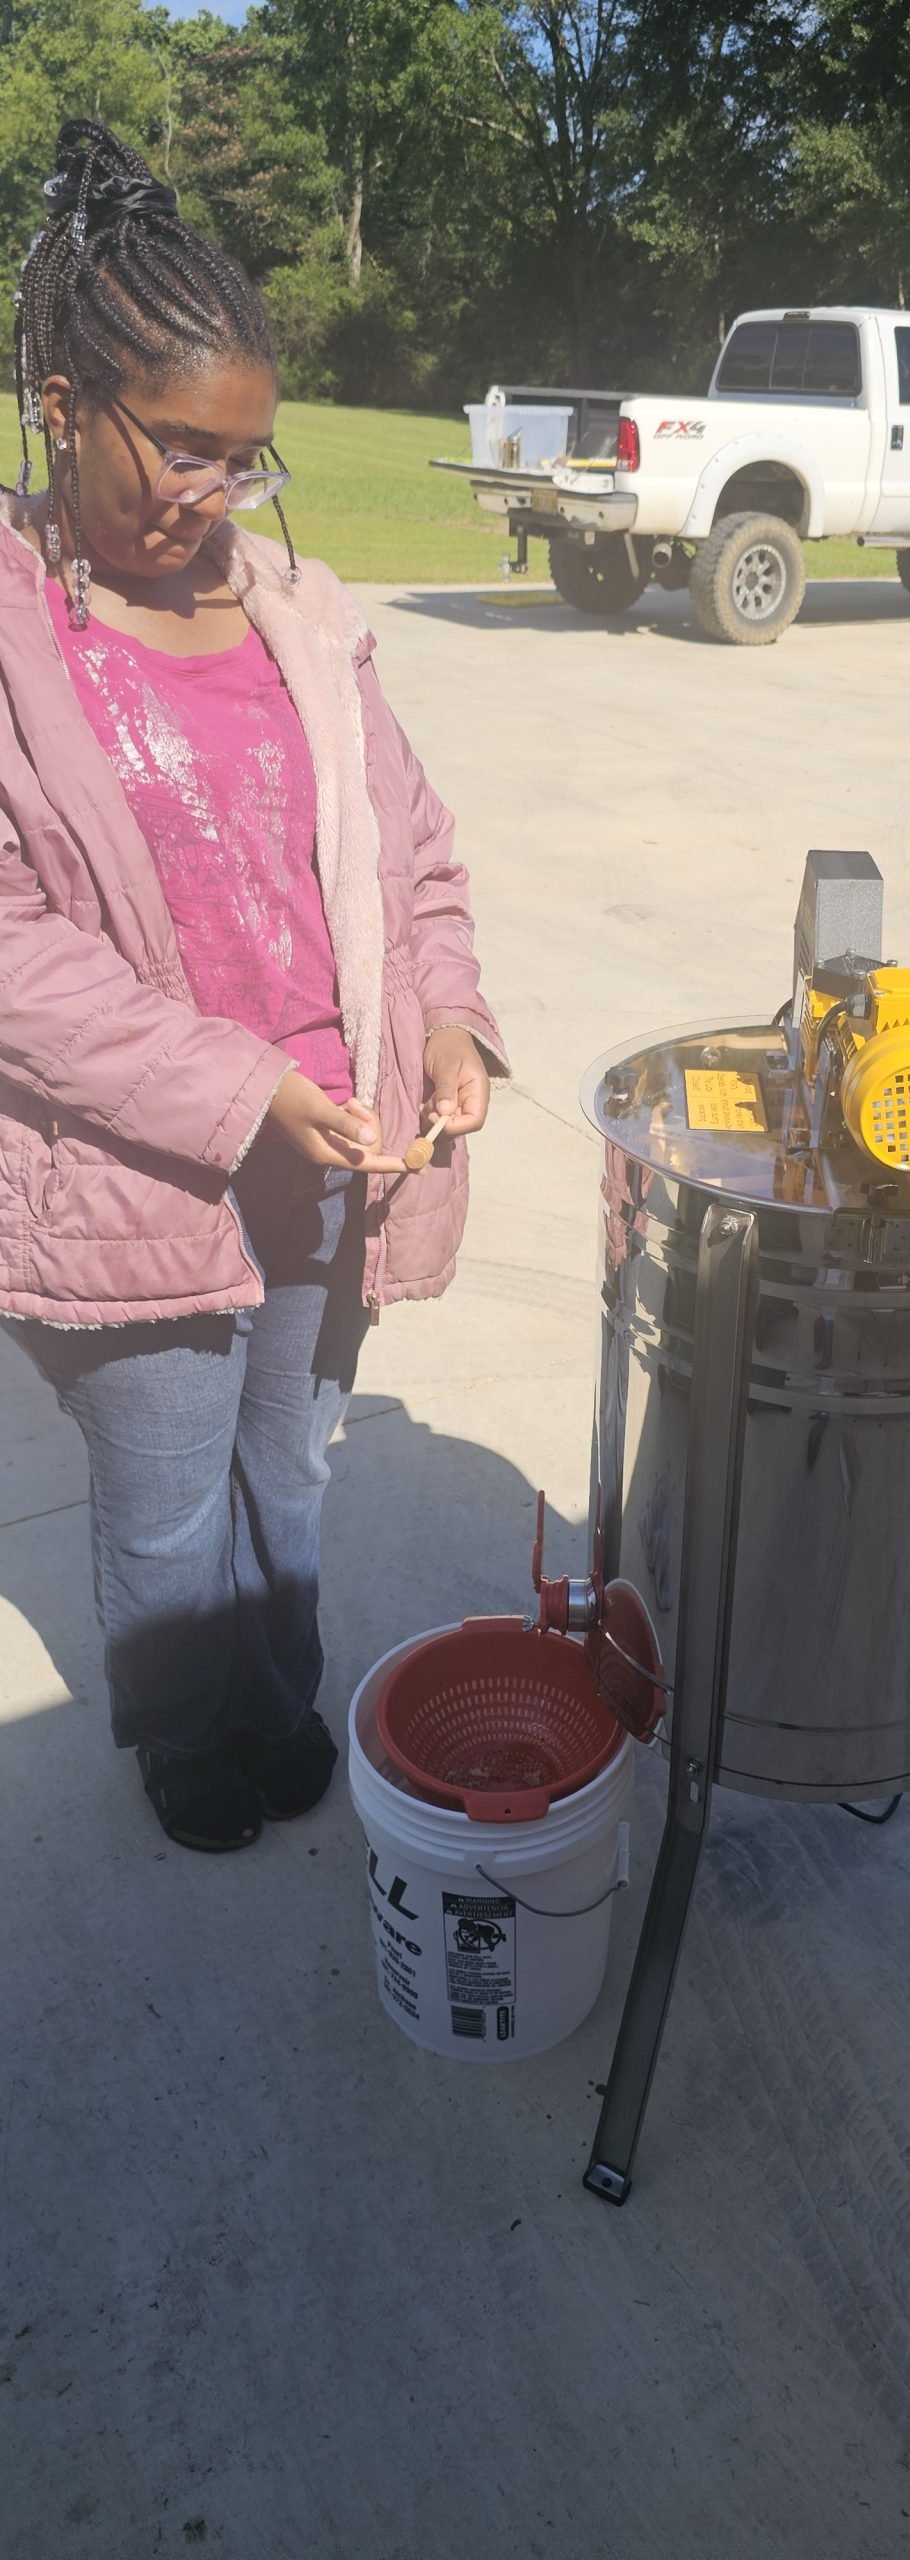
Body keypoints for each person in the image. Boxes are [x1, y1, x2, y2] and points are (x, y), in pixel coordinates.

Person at [0, 120, 506, 1853]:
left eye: (246, 459)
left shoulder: (300, 613)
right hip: (132, 1164)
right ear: (64, 406)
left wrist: (450, 1022)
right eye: (182, 449)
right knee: (164, 1504)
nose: (215, 496)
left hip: (331, 1145)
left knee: (289, 1465)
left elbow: (413, 854)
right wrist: (237, 1089)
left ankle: (280, 1694)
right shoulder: (14, 633)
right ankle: (182, 1734)